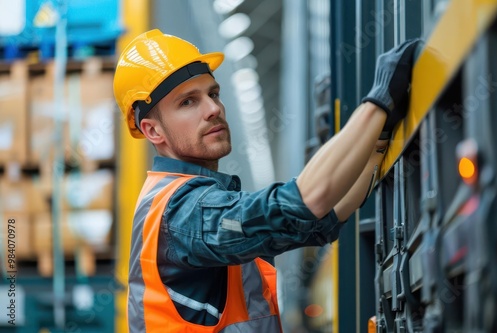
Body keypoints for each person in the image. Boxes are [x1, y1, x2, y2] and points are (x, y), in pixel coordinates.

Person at [113, 28, 420, 332]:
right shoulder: (180, 211)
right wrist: (377, 105)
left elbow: (321, 219)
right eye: (188, 102)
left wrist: (376, 144)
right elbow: (300, 203)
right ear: (153, 131)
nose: (213, 109)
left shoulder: (187, 200)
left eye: (213, 94)